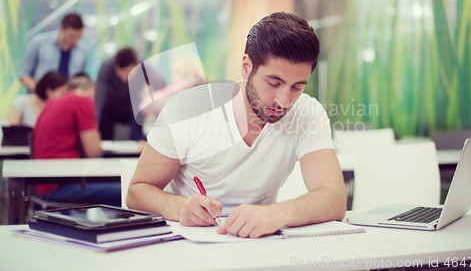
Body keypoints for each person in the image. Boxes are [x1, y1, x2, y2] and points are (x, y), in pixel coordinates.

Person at [127, 12, 346, 238]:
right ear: (246, 66)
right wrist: (179, 207)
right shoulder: (188, 108)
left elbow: (333, 197)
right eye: (274, 82)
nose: (284, 100)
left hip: (261, 242)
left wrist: (278, 213)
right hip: (193, 245)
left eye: (297, 87)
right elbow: (136, 192)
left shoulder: (307, 112)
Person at [33, 74, 121, 206]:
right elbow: (94, 152)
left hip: (42, 186)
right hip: (61, 186)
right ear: (92, 91)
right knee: (128, 191)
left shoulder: (51, 103)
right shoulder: (83, 101)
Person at [94, 47, 165, 141]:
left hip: (132, 108)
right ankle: (105, 146)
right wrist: (94, 124)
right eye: (120, 73)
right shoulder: (106, 67)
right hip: (112, 107)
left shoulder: (146, 69)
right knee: (104, 114)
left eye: (128, 73)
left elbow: (161, 88)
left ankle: (139, 142)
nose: (124, 78)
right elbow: (99, 98)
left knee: (139, 109)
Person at [18, 13, 90, 92]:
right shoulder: (39, 42)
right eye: (71, 37)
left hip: (67, 100)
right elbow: (23, 73)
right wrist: (40, 93)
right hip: (40, 100)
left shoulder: (83, 49)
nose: (75, 41)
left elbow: (80, 79)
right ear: (62, 28)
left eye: (78, 37)